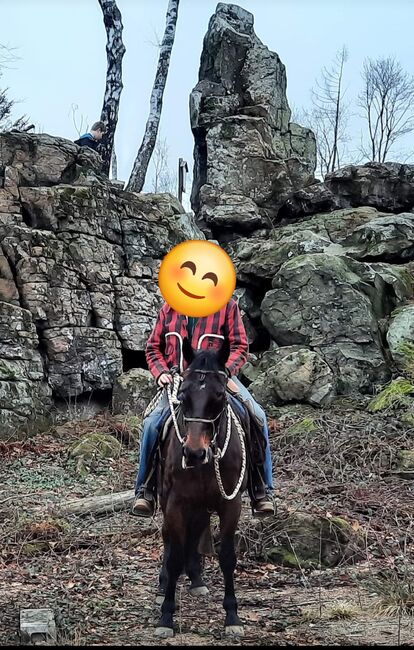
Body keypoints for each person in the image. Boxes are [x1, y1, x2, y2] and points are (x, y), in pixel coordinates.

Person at [132, 299, 275, 517]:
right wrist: (160, 372)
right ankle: (145, 489)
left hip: (218, 379)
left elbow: (239, 345)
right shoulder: (169, 308)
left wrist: (224, 371)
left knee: (257, 416)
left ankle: (261, 489)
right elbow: (153, 347)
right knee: (152, 424)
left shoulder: (227, 307)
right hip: (180, 381)